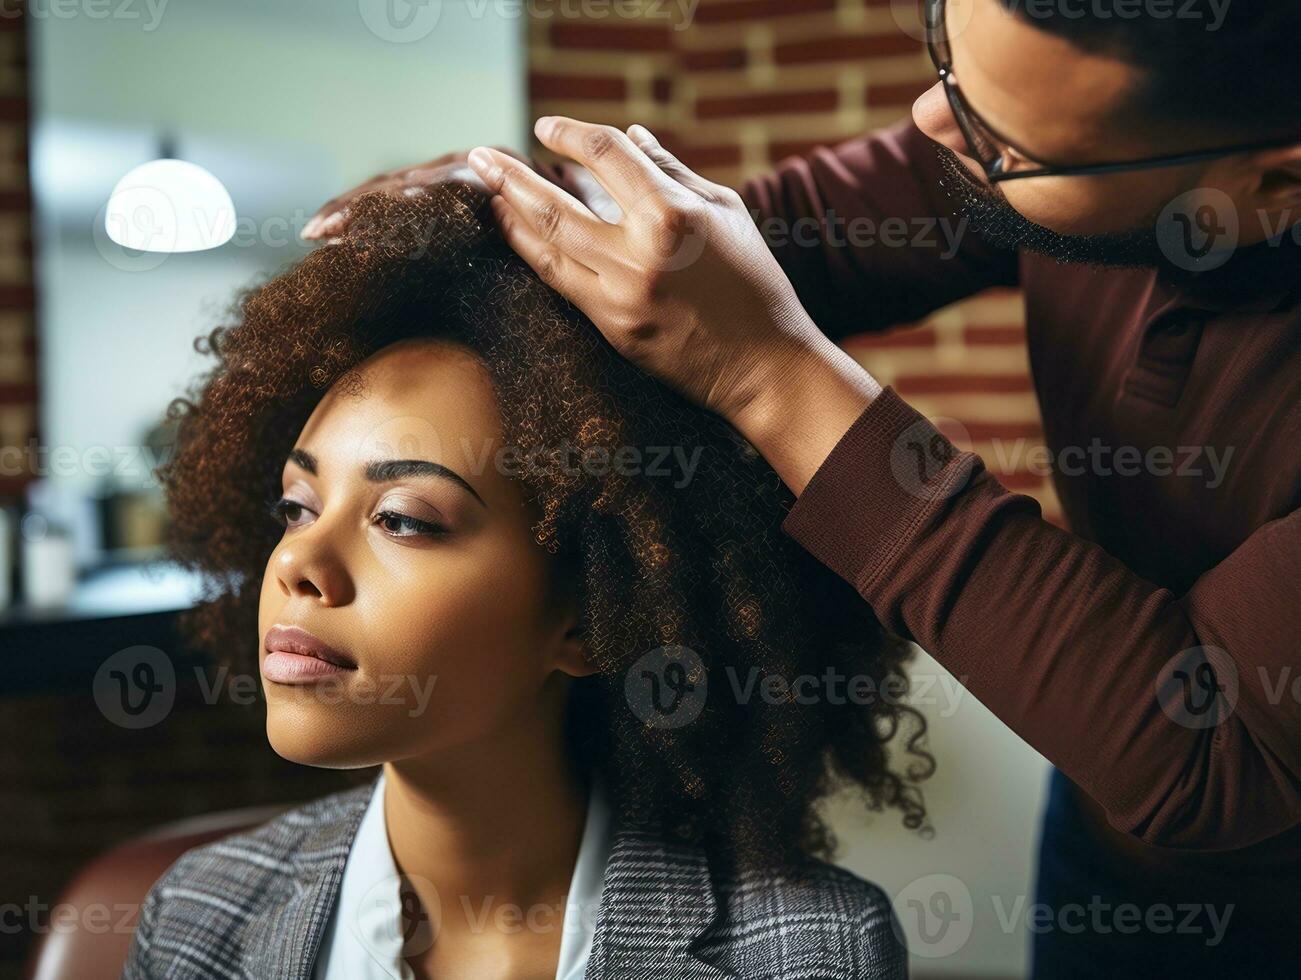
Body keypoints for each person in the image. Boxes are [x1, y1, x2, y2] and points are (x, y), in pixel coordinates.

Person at [303, 0, 1301, 975]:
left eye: (1001, 147)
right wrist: (565, 222)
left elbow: (1208, 744)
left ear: (1269, 180)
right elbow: (812, 228)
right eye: (942, 50)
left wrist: (765, 372)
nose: (927, 123)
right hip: (1107, 839)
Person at [123, 184, 925, 979]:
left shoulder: (809, 953)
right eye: (297, 507)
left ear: (589, 618)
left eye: (402, 518)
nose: (299, 565)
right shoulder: (198, 921)